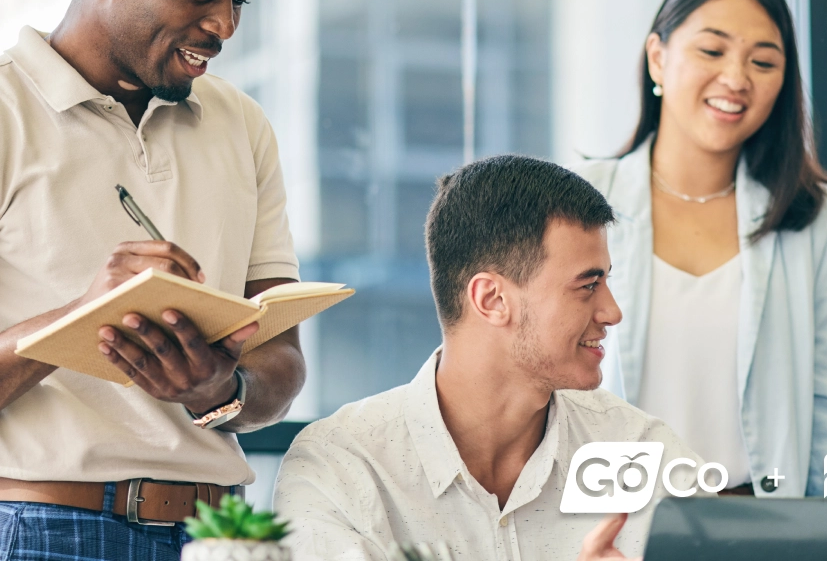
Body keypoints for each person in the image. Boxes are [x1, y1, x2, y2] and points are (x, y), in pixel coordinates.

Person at [0, 0, 306, 558]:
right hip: (49, 528)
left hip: (222, 536)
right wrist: (81, 317)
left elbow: (283, 360)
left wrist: (219, 392)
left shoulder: (243, 124)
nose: (224, 25)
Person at [273, 156, 701, 561]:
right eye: (587, 285)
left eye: (605, 281)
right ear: (492, 299)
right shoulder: (340, 467)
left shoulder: (640, 450)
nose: (612, 312)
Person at [572, 0, 827, 497]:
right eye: (712, 51)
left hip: (763, 527)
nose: (736, 79)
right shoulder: (579, 200)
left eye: (763, 61)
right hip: (607, 528)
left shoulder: (818, 217)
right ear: (658, 58)